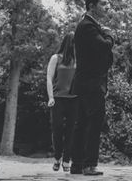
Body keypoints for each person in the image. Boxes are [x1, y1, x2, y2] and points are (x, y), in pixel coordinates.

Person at [70, 0, 114, 176]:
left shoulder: (88, 25)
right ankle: (89, 165)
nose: (107, 7)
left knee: (81, 123)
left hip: (85, 82)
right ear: (91, 6)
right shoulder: (88, 26)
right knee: (94, 123)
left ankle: (77, 165)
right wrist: (110, 35)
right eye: (103, 4)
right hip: (91, 83)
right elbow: (103, 46)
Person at [46, 33, 77, 172]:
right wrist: (50, 97)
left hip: (74, 99)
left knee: (71, 131)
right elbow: (49, 77)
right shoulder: (55, 58)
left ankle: (66, 159)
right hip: (58, 98)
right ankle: (57, 156)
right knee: (57, 129)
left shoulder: (78, 60)